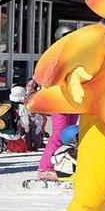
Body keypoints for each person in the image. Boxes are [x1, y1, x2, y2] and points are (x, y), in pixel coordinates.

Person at [38, 25, 79, 180]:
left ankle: (63, 164)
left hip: (72, 99)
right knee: (58, 133)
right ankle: (45, 167)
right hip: (59, 98)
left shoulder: (75, 54)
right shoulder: (54, 55)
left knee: (70, 134)